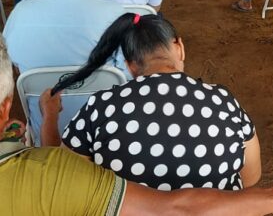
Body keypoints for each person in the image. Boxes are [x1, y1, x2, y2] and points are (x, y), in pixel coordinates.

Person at [0, 25, 273, 216]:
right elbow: (174, 206)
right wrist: (268, 198)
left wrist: (47, 122)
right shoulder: (51, 177)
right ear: (3, 109)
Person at [43, 13, 261, 192]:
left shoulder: (101, 106)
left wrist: (50, 116)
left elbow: (63, 180)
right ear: (180, 48)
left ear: (129, 66)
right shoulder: (223, 101)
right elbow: (251, 177)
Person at [4, 0, 126, 143]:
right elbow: (126, 74)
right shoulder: (116, 14)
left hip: (46, 139)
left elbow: (14, 65)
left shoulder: (20, 13)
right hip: (104, 139)